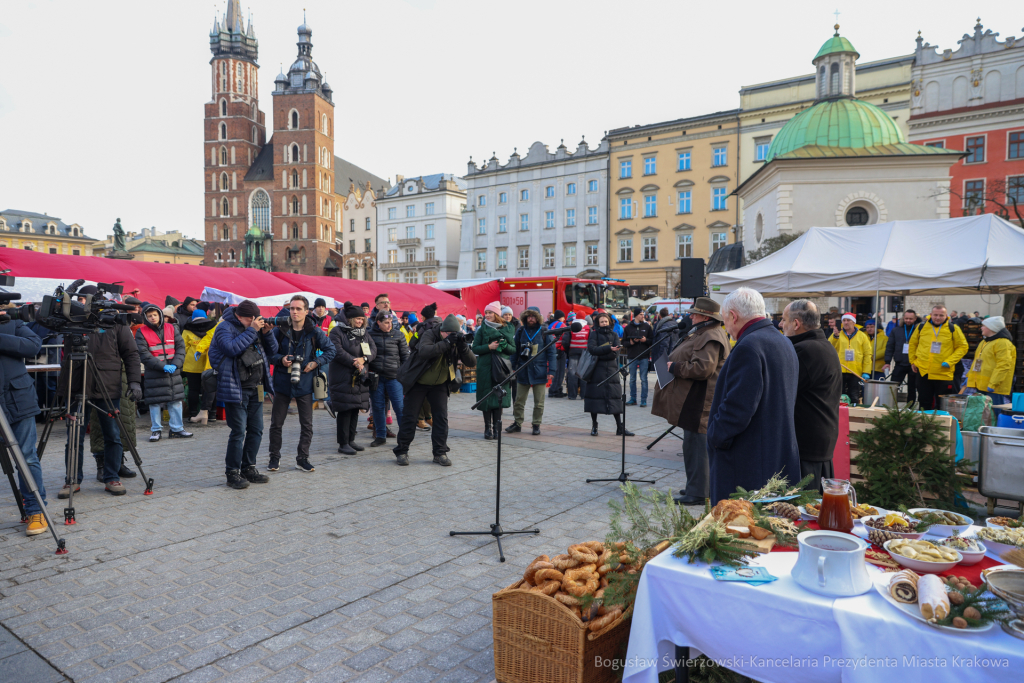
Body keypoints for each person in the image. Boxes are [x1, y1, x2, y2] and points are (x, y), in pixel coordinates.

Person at [706, 287, 800, 504]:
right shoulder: (783, 340)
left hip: (748, 461)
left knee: (740, 530)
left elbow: (738, 407)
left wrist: (715, 435)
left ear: (733, 316)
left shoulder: (749, 346)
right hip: (775, 451)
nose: (725, 327)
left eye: (724, 320)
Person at [58, 285, 143, 498]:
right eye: (80, 299)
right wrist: (64, 294)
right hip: (77, 386)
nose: (85, 303)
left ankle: (112, 476)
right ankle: (72, 479)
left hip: (108, 386)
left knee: (113, 434)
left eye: (88, 299)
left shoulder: (115, 322)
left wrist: (134, 382)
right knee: (74, 436)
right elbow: (48, 318)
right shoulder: (72, 319)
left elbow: (131, 354)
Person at [651, 298, 730, 506]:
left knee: (696, 446)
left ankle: (698, 492)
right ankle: (696, 485)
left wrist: (673, 367)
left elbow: (703, 368)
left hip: (700, 399)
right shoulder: (703, 332)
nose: (690, 316)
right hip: (694, 397)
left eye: (694, 313)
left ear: (705, 316)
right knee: (691, 445)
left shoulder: (710, 335)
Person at [208, 300, 278, 489]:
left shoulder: (254, 328)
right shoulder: (225, 328)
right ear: (239, 316)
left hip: (257, 387)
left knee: (256, 430)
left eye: (255, 318)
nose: (254, 321)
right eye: (250, 319)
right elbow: (231, 349)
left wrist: (267, 333)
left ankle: (249, 468)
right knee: (238, 431)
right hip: (235, 387)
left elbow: (273, 352)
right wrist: (252, 330)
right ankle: (232, 473)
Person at [393, 314, 476, 466]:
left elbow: (471, 361)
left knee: (441, 419)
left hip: (440, 384)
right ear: (442, 331)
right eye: (448, 334)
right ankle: (402, 451)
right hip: (418, 382)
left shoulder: (455, 339)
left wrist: (463, 346)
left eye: (454, 334)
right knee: (410, 418)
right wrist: (446, 343)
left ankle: (440, 453)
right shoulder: (430, 334)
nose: (451, 336)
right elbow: (425, 351)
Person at [267, 295, 336, 472]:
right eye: (292, 308)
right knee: (276, 423)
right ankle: (274, 457)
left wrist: (315, 362)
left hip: (305, 381)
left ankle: (302, 458)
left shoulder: (314, 331)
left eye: (298, 309)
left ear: (307, 311)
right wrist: (281, 359)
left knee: (307, 424)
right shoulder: (280, 330)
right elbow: (268, 354)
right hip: (282, 382)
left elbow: (331, 350)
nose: (294, 312)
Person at [781, 300, 842, 489]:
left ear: (796, 324)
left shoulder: (806, 350)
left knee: (803, 510)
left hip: (807, 446)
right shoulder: (821, 345)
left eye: (784, 320)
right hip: (817, 442)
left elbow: (781, 392)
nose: (781, 325)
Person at [0, 312, 48, 535]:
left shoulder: (13, 324)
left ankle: (36, 509)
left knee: (26, 457)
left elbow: (33, 346)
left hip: (18, 400)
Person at [136, 304, 192, 442]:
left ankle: (177, 429)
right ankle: (156, 430)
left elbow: (181, 347)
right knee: (155, 403)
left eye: (155, 315)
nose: (153, 317)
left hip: (172, 371)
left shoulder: (171, 328)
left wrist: (175, 364)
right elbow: (144, 354)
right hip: (155, 372)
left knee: (176, 401)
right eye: (149, 316)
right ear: (145, 317)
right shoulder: (141, 332)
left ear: (160, 315)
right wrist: (163, 366)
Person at [329, 304, 377, 455]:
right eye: (357, 318)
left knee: (355, 407)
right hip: (343, 376)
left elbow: (373, 349)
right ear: (349, 319)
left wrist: (363, 359)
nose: (360, 321)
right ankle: (343, 443)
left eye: (362, 319)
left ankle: (351, 440)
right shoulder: (337, 331)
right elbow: (337, 351)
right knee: (345, 409)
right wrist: (354, 361)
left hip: (359, 376)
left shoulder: (363, 333)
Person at [908, 305, 968, 411]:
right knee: (924, 402)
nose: (937, 318)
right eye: (935, 315)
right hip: (924, 372)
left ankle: (941, 425)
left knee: (942, 405)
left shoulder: (953, 328)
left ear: (946, 316)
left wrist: (950, 361)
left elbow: (963, 347)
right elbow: (913, 344)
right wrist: (912, 361)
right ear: (931, 315)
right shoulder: (921, 327)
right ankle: (924, 424)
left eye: (941, 315)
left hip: (943, 373)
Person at [507, 308, 555, 435]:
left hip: (539, 370)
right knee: (518, 401)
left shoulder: (544, 331)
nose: (531, 318)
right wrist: (513, 366)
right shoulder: (521, 331)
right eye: (529, 316)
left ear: (538, 318)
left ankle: (536, 424)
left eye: (533, 316)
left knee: (539, 402)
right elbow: (515, 350)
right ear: (525, 317)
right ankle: (517, 423)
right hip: (523, 369)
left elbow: (551, 352)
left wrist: (552, 370)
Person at [585, 311, 633, 437]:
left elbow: (616, 353)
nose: (604, 323)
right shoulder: (594, 334)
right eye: (602, 322)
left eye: (606, 321)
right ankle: (594, 426)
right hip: (596, 370)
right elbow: (592, 350)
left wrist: (605, 352)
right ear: (598, 323)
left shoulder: (614, 334)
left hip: (611, 370)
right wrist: (607, 349)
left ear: (609, 322)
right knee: (595, 399)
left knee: (614, 398)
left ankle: (620, 427)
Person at [472, 301, 515, 440]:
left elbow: (513, 349)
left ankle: (497, 429)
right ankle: (487, 429)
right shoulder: (482, 328)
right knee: (486, 399)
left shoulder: (508, 328)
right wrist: (488, 347)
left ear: (497, 314)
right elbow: (475, 348)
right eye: (486, 313)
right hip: (485, 368)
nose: (487, 315)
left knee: (498, 399)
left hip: (501, 368)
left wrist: (504, 345)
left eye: (490, 312)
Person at [368, 310, 409, 446]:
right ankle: (380, 435)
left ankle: (404, 437)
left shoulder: (398, 335)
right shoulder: (370, 335)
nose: (389, 325)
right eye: (386, 322)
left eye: (390, 322)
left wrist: (403, 375)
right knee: (378, 407)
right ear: (378, 322)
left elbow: (405, 357)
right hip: (376, 377)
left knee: (399, 407)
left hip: (394, 377)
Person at [966, 316, 1016, 405]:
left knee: (994, 413)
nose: (981, 328)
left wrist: (993, 384)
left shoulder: (1003, 343)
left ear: (992, 328)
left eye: (984, 326)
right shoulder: (985, 342)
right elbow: (977, 361)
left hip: (994, 388)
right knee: (983, 413)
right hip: (981, 385)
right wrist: (971, 377)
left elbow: (1003, 365)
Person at [829, 313, 872, 404]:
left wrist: (866, 371)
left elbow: (867, 354)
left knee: (854, 395)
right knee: (839, 395)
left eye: (848, 320)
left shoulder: (862, 336)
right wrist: (835, 337)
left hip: (855, 371)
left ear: (854, 322)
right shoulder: (837, 334)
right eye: (844, 320)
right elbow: (828, 348)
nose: (846, 322)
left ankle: (853, 414)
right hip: (839, 370)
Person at [182, 309, 216, 421]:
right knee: (210, 389)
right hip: (209, 364)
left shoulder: (187, 331)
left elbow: (184, 348)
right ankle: (211, 415)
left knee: (193, 390)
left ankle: (192, 414)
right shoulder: (212, 329)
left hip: (192, 365)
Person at [884, 309, 920, 405]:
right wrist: (887, 361)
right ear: (903, 318)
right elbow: (890, 346)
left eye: (911, 319)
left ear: (915, 319)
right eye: (906, 318)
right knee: (893, 387)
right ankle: (891, 406)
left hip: (914, 364)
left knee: (912, 388)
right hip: (900, 363)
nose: (908, 320)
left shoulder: (919, 331)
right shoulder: (896, 330)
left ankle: (910, 407)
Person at [622, 307, 654, 407]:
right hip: (632, 356)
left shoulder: (647, 326)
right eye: (640, 314)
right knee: (632, 379)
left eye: (643, 314)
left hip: (644, 356)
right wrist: (631, 342)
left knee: (644, 379)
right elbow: (623, 342)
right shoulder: (628, 328)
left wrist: (646, 340)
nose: (642, 316)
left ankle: (643, 400)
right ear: (636, 315)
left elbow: (652, 340)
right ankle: (633, 398)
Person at [562, 317, 590, 400]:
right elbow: (591, 340)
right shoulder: (588, 328)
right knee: (583, 374)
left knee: (572, 374)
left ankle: (572, 395)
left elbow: (565, 341)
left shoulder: (571, 327)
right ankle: (584, 395)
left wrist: (568, 351)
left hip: (573, 353)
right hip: (585, 354)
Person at [547, 310, 567, 398]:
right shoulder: (562, 325)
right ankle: (555, 390)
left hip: (552, 350)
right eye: (563, 317)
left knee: (555, 371)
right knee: (560, 372)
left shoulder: (550, 325)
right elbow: (565, 338)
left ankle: (553, 389)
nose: (564, 319)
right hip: (560, 350)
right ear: (561, 317)